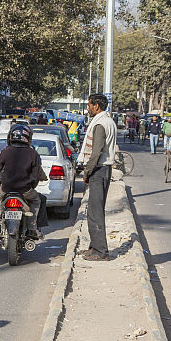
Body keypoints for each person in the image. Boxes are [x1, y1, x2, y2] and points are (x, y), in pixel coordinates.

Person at [0, 123, 48, 254]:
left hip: (6, 189)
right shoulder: (33, 154)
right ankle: (32, 228)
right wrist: (31, 185)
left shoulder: (5, 151)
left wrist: (0, 184)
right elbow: (36, 175)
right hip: (25, 190)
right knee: (37, 200)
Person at [77, 94, 117, 262]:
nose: (88, 108)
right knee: (94, 210)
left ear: (96, 106)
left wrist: (87, 172)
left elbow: (96, 153)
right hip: (102, 169)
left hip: (99, 170)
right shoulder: (107, 121)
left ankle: (101, 251)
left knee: (95, 212)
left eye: (89, 105)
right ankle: (94, 247)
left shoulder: (100, 124)